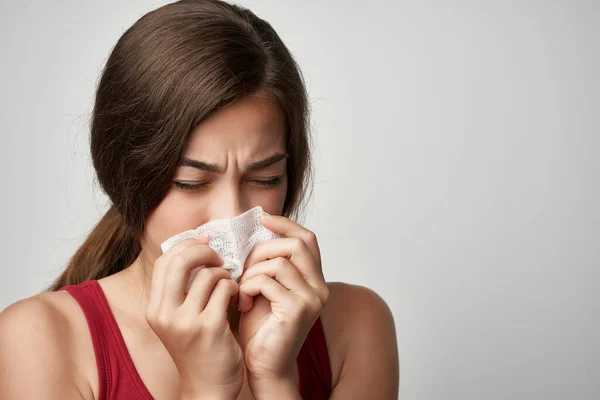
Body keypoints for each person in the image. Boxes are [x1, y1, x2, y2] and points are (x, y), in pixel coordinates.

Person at [0, 0, 399, 398]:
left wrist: (273, 378)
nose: (233, 215)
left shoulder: (356, 325)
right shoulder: (39, 340)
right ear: (123, 179)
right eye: (191, 183)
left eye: (265, 178)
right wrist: (206, 388)